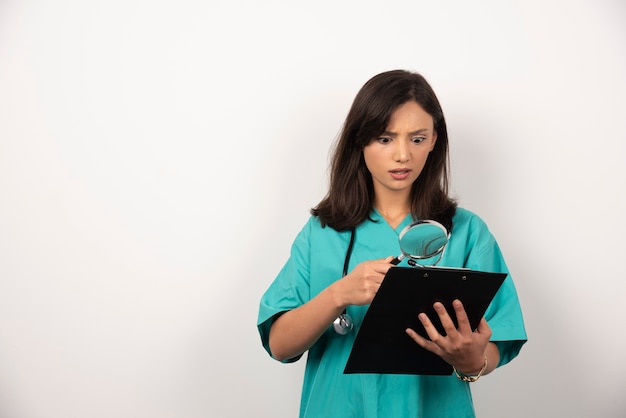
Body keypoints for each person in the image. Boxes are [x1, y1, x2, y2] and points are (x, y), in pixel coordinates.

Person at [257, 70, 527, 417]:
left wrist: (473, 360)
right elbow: (279, 345)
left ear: (434, 140)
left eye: (417, 139)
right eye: (385, 139)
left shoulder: (467, 232)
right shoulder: (322, 232)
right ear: (361, 141)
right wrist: (339, 294)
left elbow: (496, 344)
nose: (402, 155)